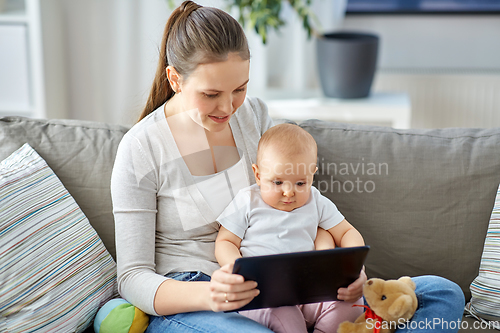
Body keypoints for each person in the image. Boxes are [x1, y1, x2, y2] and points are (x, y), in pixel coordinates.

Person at [110, 1, 465, 332]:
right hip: (196, 299)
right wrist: (211, 296)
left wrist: (341, 268)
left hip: (286, 286)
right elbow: (132, 276)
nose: (228, 107)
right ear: (176, 80)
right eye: (210, 94)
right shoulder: (141, 149)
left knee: (441, 292)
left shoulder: (254, 118)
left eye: (240, 88)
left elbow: (306, 209)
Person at [215, 123, 366, 333]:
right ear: (258, 175)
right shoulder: (247, 200)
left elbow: (347, 232)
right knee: (285, 316)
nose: (289, 192)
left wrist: (353, 266)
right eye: (277, 182)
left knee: (353, 304)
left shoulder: (316, 201)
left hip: (309, 291)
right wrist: (239, 271)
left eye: (300, 183)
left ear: (312, 175)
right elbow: (225, 241)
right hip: (264, 294)